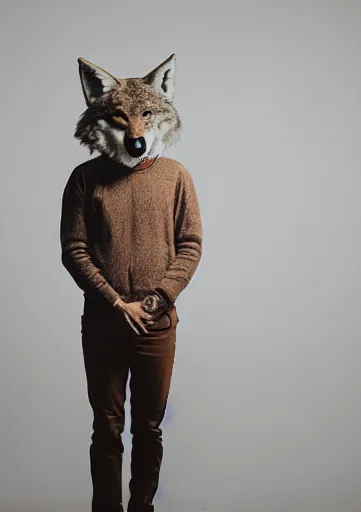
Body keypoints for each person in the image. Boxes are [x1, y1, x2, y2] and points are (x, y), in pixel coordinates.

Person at [59, 53, 203, 512]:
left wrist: (158, 299)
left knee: (149, 428)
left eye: (145, 115)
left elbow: (191, 244)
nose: (135, 130)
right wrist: (116, 303)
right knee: (106, 427)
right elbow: (74, 249)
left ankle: (142, 506)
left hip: (157, 326)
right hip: (104, 325)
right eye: (123, 117)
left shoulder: (177, 176)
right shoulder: (84, 179)